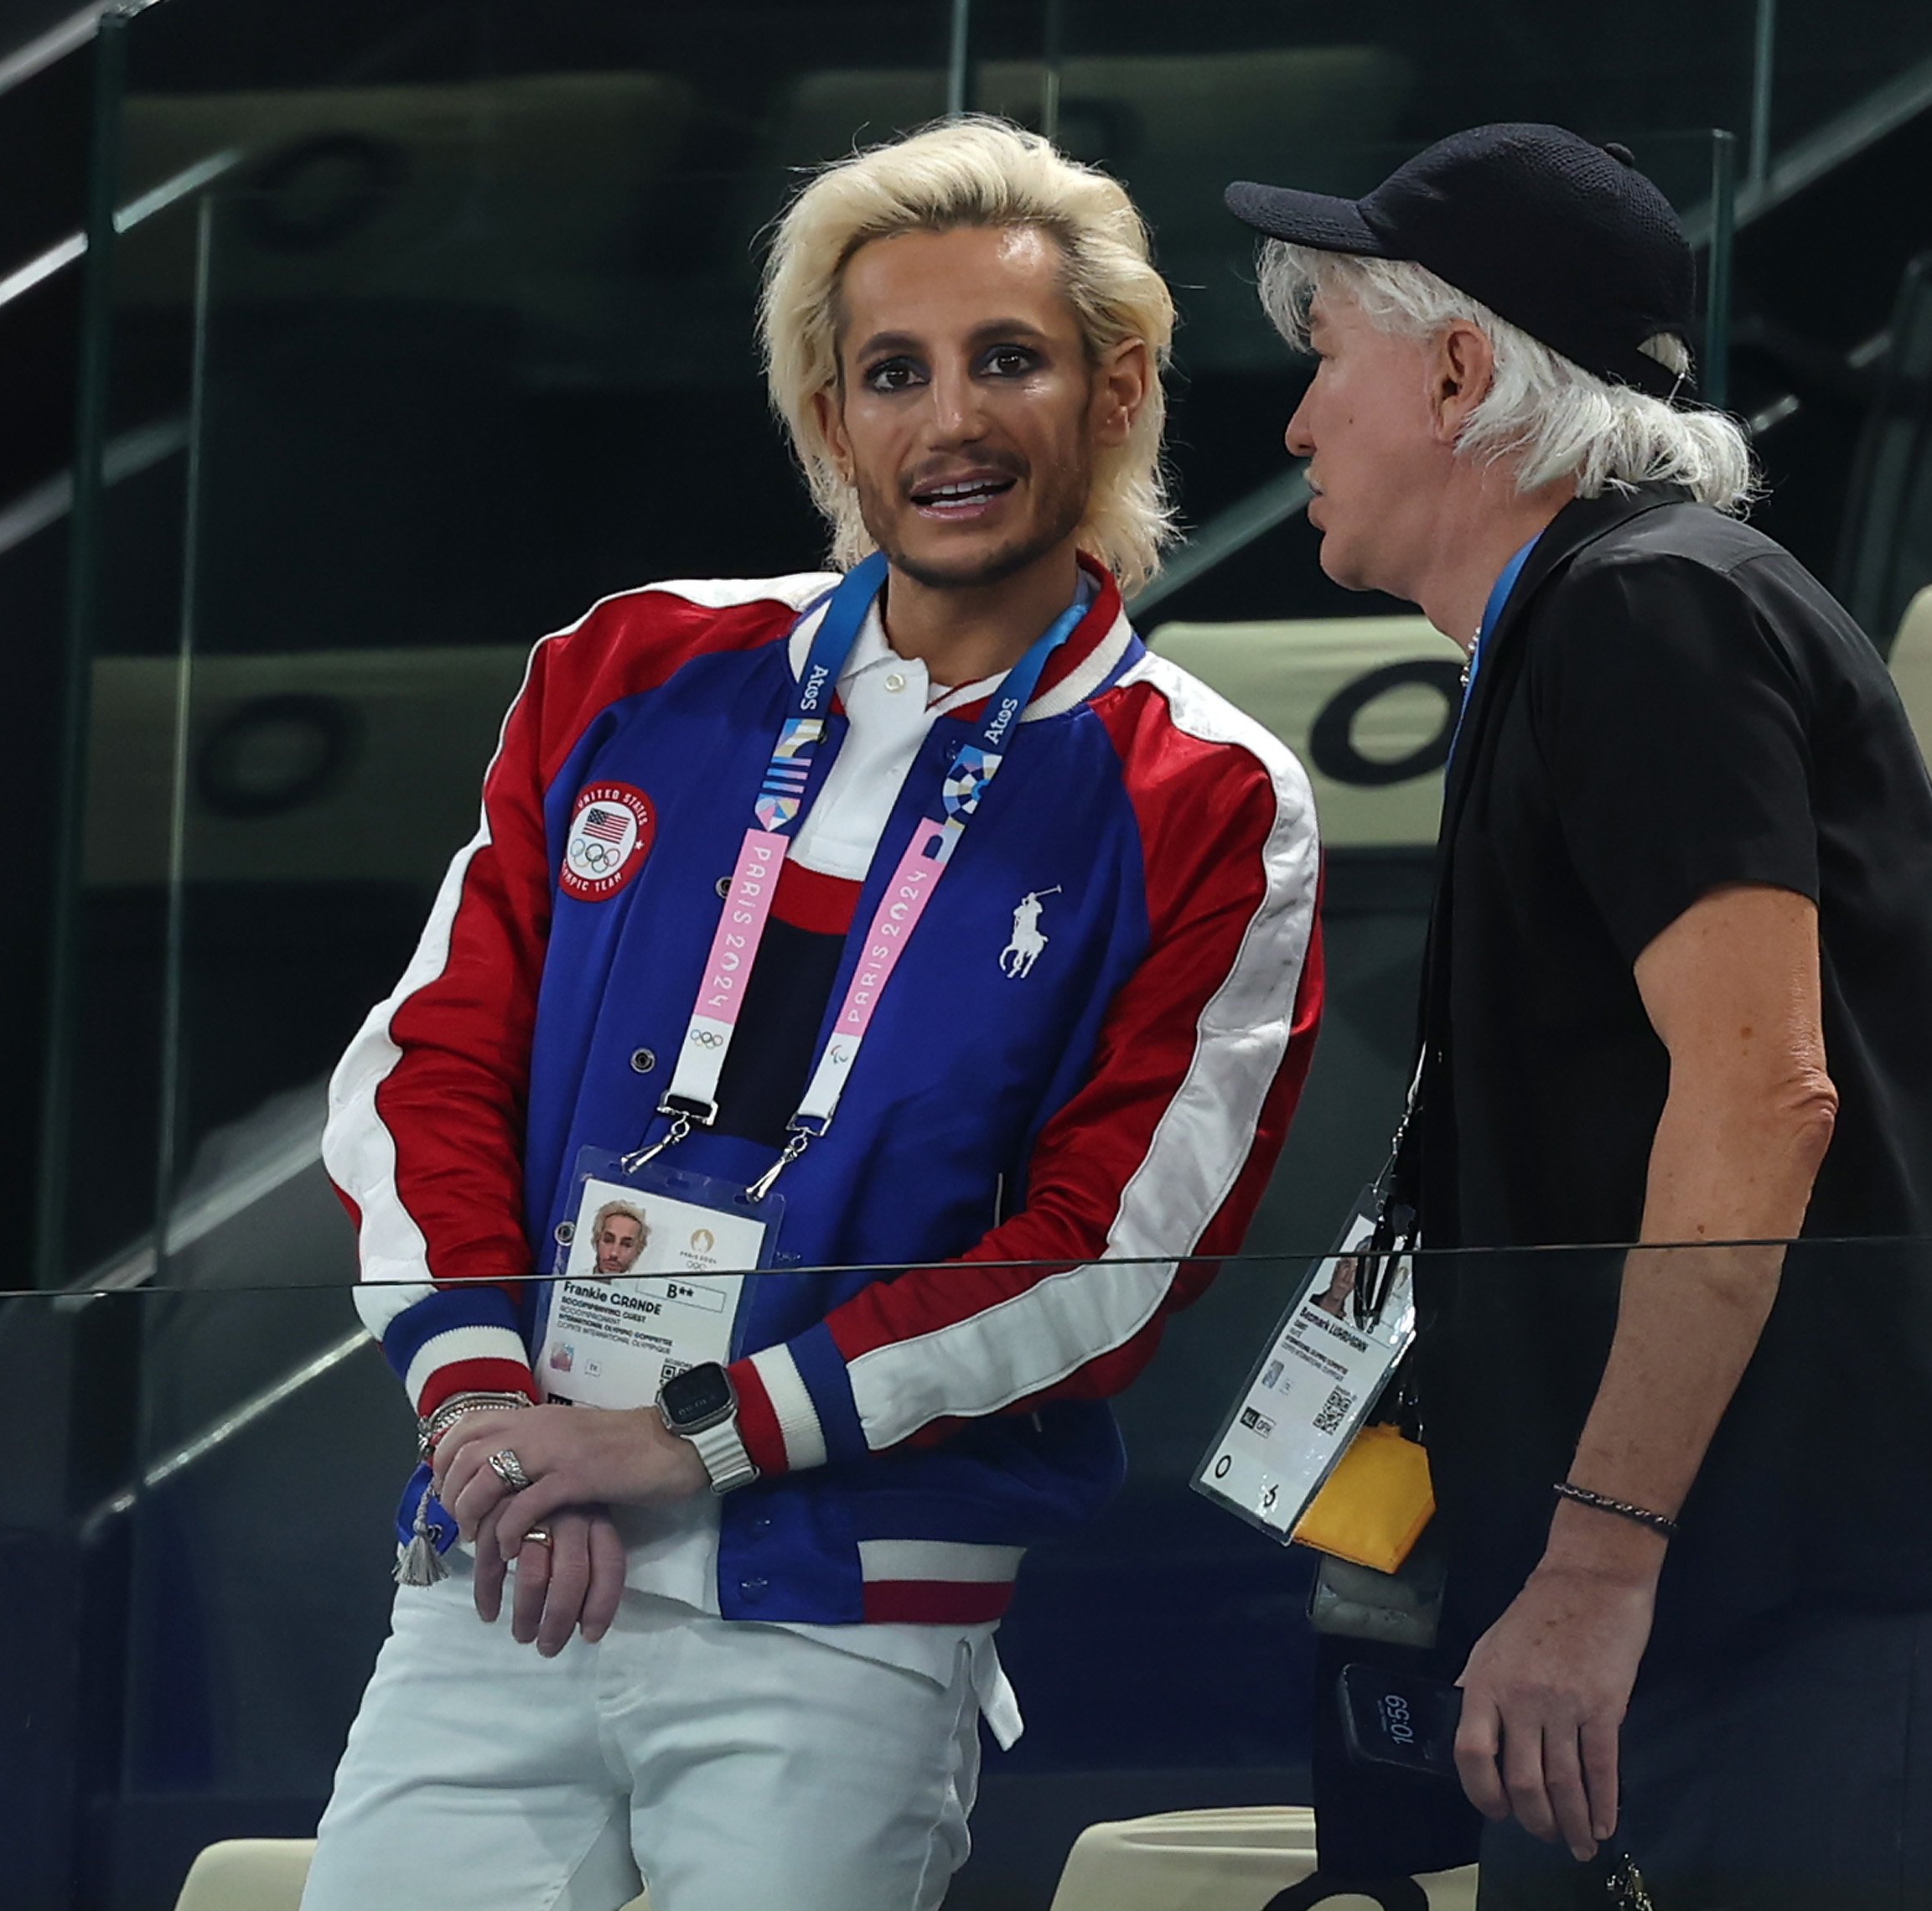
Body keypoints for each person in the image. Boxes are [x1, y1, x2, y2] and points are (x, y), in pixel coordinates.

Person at [304, 118, 1322, 1911]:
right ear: (828, 420)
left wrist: (687, 1438)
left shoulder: (1206, 794)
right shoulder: (629, 669)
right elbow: (423, 1070)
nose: (952, 423)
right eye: (891, 373)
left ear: (1117, 392)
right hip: (507, 1561)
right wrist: (477, 1406)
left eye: (1008, 360)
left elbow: (1107, 1261)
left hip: (848, 1603)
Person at [1225, 126, 1932, 1911]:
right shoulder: (1601, 620)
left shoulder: (1650, 612)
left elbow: (1760, 1086)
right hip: (1714, 1586)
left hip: (1789, 1583)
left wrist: (1599, 1561)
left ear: (1460, 369)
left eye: (1328, 360)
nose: (1297, 427)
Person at [589, 1199, 648, 1276]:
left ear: (638, 1251)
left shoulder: (643, 1287)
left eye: (626, 1245)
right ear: (597, 1241)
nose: (614, 1253)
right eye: (608, 1240)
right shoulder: (571, 1278)